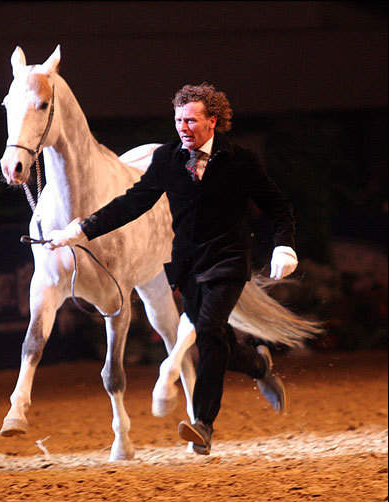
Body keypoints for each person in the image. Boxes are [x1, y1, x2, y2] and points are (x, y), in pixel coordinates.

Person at [45, 82, 298, 456]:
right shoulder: (166, 159)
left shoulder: (241, 160)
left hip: (228, 260)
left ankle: (203, 425)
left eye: (192, 120)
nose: (183, 126)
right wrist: (80, 229)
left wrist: (284, 245)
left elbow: (278, 207)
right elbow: (132, 203)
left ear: (213, 122)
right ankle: (257, 364)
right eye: (179, 119)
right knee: (221, 340)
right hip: (187, 267)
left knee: (210, 332)